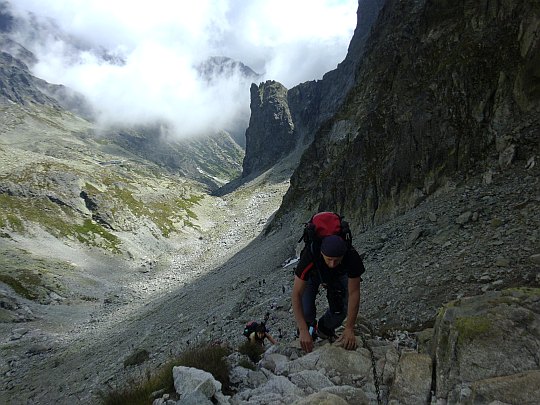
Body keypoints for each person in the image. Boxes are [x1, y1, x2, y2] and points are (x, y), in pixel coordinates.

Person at [292, 234, 365, 353]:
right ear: (321, 253)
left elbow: (354, 294)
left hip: (338, 275)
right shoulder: (310, 255)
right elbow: (296, 295)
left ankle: (324, 329)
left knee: (340, 309)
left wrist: (349, 328)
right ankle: (308, 330)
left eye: (336, 260)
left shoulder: (351, 257)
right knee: (306, 310)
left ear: (343, 255)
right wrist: (303, 329)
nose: (332, 264)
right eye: (329, 259)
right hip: (313, 275)